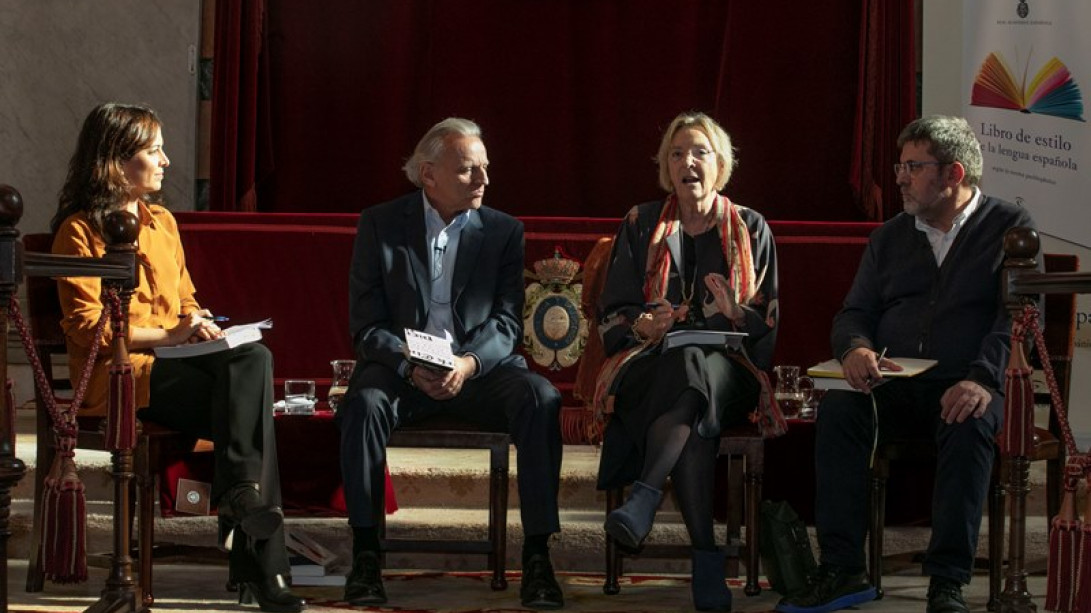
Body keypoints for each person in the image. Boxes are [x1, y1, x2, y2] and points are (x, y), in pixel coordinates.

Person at [775, 115, 1035, 613]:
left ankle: (947, 581)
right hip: (896, 383)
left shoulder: (1009, 228)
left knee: (968, 417)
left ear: (954, 174)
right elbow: (854, 312)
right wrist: (854, 348)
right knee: (839, 411)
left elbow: (1016, 320)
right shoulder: (889, 238)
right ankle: (843, 568)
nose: (899, 177)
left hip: (970, 380)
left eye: (913, 167)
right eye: (900, 165)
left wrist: (982, 378)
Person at [52, 103, 304, 613]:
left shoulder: (163, 222)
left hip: (173, 359)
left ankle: (240, 497)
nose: (166, 161)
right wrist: (170, 335)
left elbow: (185, 297)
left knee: (252, 358)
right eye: (154, 150)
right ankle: (266, 568)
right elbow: (89, 330)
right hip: (123, 377)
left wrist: (201, 322)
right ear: (117, 162)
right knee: (250, 418)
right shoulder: (79, 232)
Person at [338, 117, 565, 609]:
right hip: (403, 366)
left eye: (484, 169)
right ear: (429, 175)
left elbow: (506, 323)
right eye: (468, 170)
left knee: (541, 398)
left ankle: (538, 559)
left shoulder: (504, 231)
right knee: (363, 403)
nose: (483, 180)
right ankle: (366, 555)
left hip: (475, 369)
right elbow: (366, 324)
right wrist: (407, 365)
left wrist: (465, 364)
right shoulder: (380, 224)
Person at [594, 111, 779, 612]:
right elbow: (613, 311)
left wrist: (735, 314)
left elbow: (765, 326)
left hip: (730, 371)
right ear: (665, 167)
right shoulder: (641, 223)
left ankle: (646, 494)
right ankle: (705, 557)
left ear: (720, 164)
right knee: (689, 402)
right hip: (651, 366)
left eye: (699, 152)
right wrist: (643, 325)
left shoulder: (751, 228)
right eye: (677, 154)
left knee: (696, 363)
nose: (688, 162)